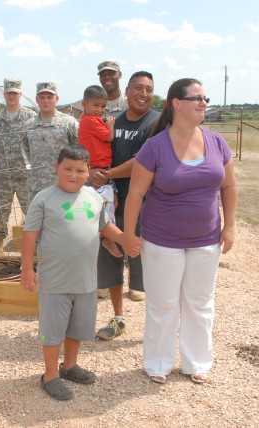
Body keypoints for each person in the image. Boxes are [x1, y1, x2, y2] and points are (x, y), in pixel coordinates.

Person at [122, 78, 238, 385]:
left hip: (205, 239)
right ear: (176, 103)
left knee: (200, 303)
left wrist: (230, 227)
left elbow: (229, 186)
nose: (203, 103)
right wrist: (128, 234)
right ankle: (157, 363)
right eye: (196, 98)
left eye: (205, 97)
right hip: (162, 240)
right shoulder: (154, 146)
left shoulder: (216, 142)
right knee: (163, 303)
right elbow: (135, 194)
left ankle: (196, 363)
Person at [21, 145, 140, 401]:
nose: (73, 175)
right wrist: (27, 270)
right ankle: (50, 374)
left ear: (89, 172)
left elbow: (105, 226)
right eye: (67, 169)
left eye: (80, 170)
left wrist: (126, 240)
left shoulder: (94, 197)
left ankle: (70, 366)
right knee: (53, 331)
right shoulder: (44, 198)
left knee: (77, 329)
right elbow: (30, 236)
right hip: (55, 281)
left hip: (86, 280)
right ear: (57, 168)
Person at [88, 71, 160, 339]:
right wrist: (93, 171)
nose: (143, 94)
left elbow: (141, 163)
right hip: (112, 204)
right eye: (138, 88)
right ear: (126, 91)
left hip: (145, 206)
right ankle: (118, 319)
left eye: (149, 89)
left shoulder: (156, 123)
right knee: (111, 260)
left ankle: (156, 327)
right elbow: (98, 152)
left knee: (148, 264)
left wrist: (105, 174)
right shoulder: (112, 122)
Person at [0, 77, 37, 256]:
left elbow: (34, 144)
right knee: (1, 210)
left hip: (25, 174)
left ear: (20, 94)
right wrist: (5, 159)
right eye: (9, 93)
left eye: (15, 93)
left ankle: (34, 247)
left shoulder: (30, 117)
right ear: (4, 94)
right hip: (4, 173)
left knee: (30, 210)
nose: (11, 96)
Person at [78, 85, 121, 258]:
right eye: (96, 105)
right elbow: (109, 137)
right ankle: (107, 236)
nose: (100, 110)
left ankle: (103, 234)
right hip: (99, 170)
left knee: (111, 202)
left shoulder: (87, 120)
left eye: (103, 106)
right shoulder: (91, 120)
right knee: (107, 203)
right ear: (85, 105)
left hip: (100, 167)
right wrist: (110, 124)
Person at [23, 82, 79, 199]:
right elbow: (26, 151)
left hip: (62, 185)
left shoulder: (69, 123)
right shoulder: (29, 125)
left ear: (57, 99)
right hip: (36, 186)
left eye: (49, 97)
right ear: (36, 99)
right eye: (42, 97)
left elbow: (78, 151)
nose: (46, 101)